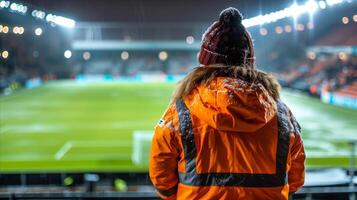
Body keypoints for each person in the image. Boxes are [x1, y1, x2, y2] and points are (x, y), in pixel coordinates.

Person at [149, 7, 305, 200]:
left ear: (206, 60)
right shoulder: (281, 114)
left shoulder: (181, 111)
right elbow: (295, 179)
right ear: (248, 60)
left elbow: (161, 175)